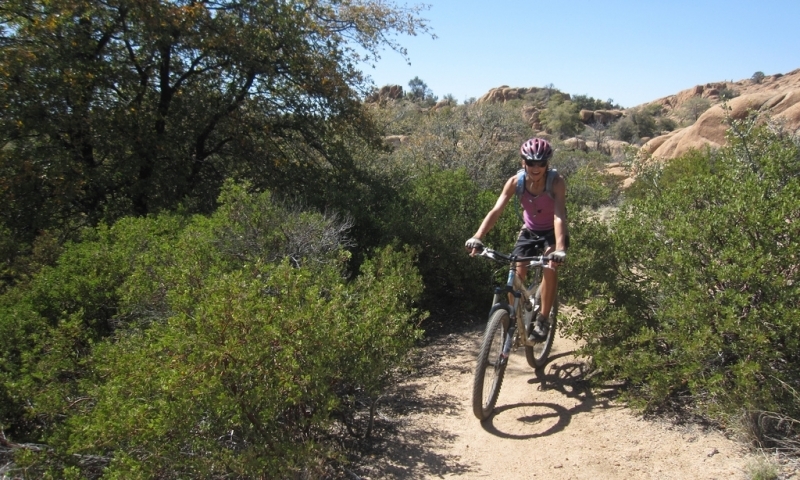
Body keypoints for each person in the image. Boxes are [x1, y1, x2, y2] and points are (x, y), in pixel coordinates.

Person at [465, 137, 568, 341]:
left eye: (541, 163)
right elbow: (496, 210)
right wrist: (477, 236)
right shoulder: (515, 182)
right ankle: (516, 314)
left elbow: (559, 215)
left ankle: (543, 320)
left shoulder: (556, 182)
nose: (536, 168)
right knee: (514, 271)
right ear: (523, 163)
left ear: (548, 164)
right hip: (529, 230)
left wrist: (560, 248)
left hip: (551, 233)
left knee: (550, 266)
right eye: (531, 163)